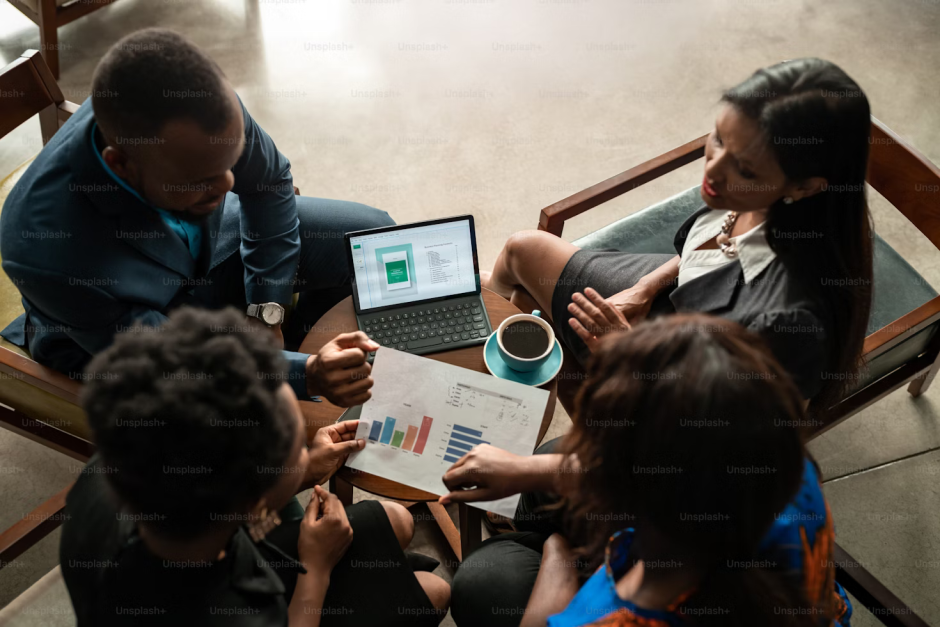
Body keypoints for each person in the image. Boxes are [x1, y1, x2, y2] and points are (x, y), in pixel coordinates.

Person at [0, 28, 392, 406]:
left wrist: (265, 313)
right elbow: (164, 361)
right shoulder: (43, 255)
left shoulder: (199, 104)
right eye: (201, 179)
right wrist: (301, 375)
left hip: (217, 255)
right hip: (124, 338)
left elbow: (268, 183)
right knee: (221, 432)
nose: (226, 185)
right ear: (120, 166)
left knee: (370, 240)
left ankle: (294, 353)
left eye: (229, 163)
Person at [483, 58, 873, 415]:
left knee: (534, 320)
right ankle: (491, 336)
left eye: (745, 169)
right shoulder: (755, 198)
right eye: (719, 138)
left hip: (681, 387)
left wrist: (632, 354)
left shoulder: (788, 325)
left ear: (804, 187)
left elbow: (724, 437)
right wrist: (647, 287)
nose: (713, 173)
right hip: (671, 299)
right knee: (523, 252)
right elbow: (716, 251)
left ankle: (589, 439)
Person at [444, 315, 852, 626]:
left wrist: (558, 553)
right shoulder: (789, 475)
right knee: (543, 474)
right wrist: (525, 469)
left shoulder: (605, 617)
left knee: (483, 583)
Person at [60, 306, 450, 626]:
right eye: (296, 448)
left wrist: (307, 468)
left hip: (208, 556)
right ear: (258, 506)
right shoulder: (244, 616)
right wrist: (316, 569)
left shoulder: (117, 469)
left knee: (395, 520)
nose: (304, 450)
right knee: (435, 591)